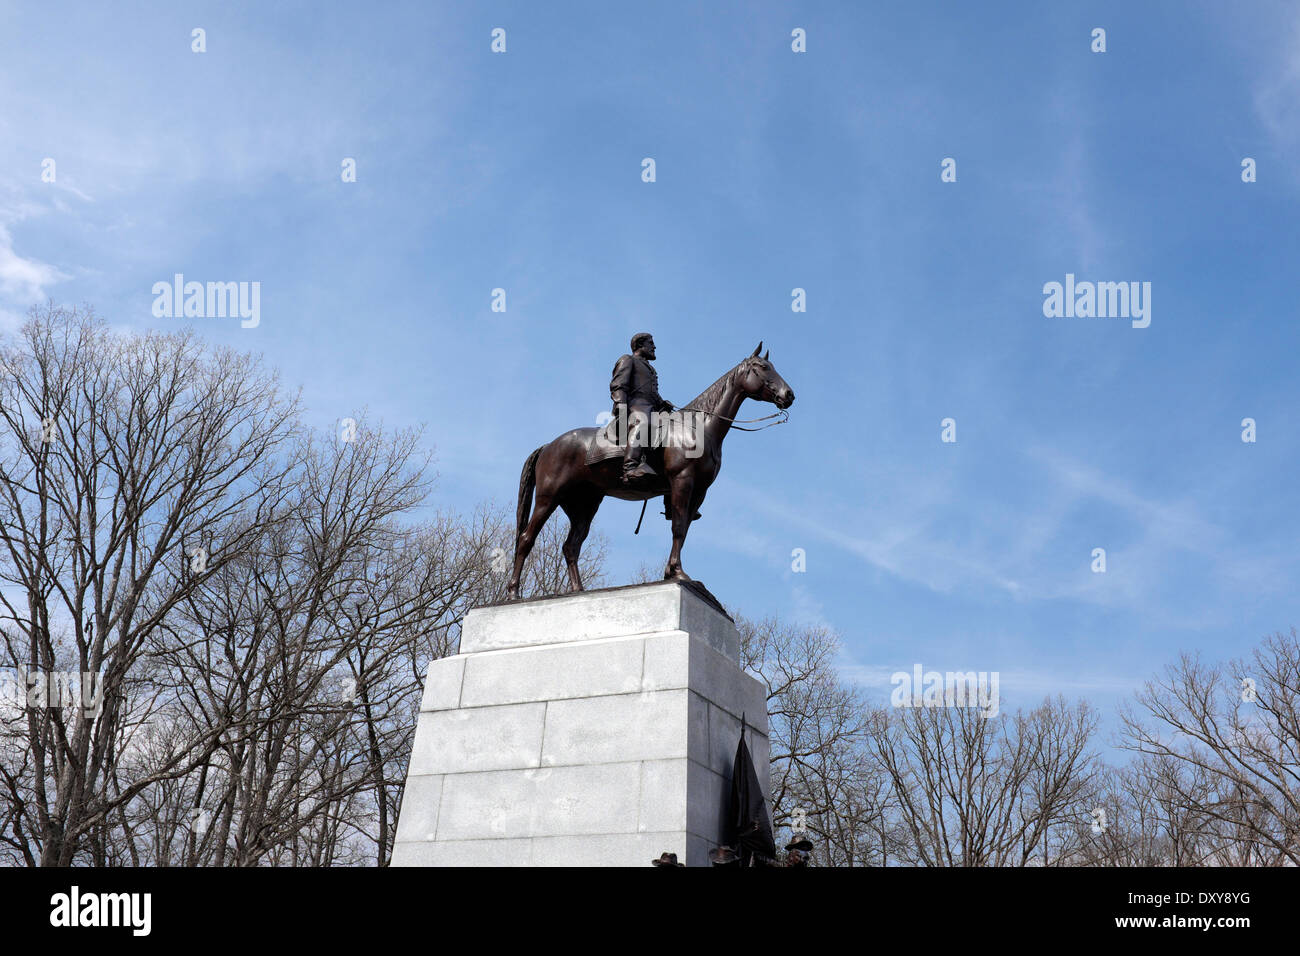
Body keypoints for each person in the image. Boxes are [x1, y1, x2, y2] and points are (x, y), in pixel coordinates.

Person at [609, 332, 673, 483]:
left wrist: (662, 403)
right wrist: (621, 407)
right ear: (640, 345)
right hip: (634, 407)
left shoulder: (650, 369)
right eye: (651, 343)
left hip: (651, 408)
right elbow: (619, 385)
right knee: (644, 422)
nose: (654, 347)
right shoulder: (628, 360)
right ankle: (630, 468)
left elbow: (651, 393)